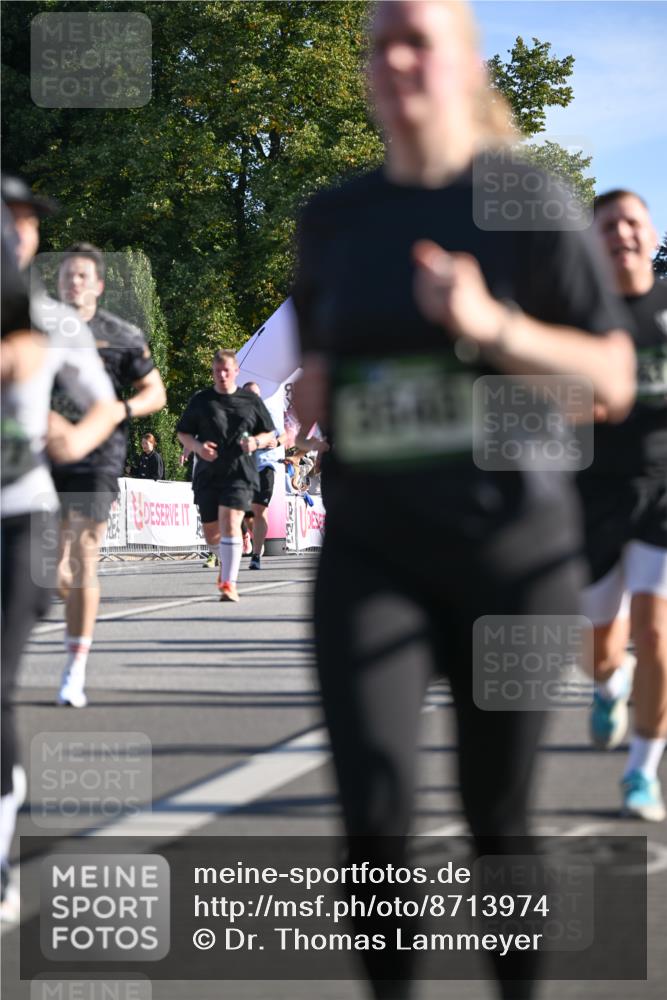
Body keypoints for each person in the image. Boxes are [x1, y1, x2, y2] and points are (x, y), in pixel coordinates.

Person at [292, 3, 635, 998]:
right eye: (378, 42)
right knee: (375, 809)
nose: (394, 59)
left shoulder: (529, 201)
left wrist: (493, 327)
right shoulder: (331, 218)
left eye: (417, 39)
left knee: (497, 813)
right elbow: (322, 361)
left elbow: (608, 376)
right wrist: (317, 392)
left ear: (463, 62)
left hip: (511, 557)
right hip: (370, 553)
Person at [1, 182, 118, 918]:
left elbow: (104, 398)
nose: (14, 235)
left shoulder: (51, 322)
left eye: (24, 226)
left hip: (21, 521)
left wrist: (76, 434)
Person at [578, 189, 667, 821]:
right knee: (601, 648)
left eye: (633, 221)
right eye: (608, 225)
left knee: (656, 635)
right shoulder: (576, 315)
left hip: (663, 490)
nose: (623, 233)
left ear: (652, 232)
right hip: (592, 495)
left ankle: (642, 771)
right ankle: (611, 686)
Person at [52, 242, 166, 707]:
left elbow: (154, 393)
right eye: (66, 276)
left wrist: (121, 410)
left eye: (82, 276)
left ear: (97, 284)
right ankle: (73, 613)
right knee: (55, 567)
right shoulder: (41, 331)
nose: (73, 282)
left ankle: (74, 669)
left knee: (84, 555)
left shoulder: (121, 333)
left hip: (99, 454)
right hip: (47, 451)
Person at [176, 350, 277, 601]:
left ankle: (229, 583)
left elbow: (270, 435)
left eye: (226, 370)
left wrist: (255, 441)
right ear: (212, 372)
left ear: (236, 372)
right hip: (208, 473)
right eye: (217, 371)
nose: (221, 375)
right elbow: (183, 433)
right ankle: (224, 560)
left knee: (231, 522)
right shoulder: (202, 400)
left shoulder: (250, 401)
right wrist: (198, 448)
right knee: (212, 533)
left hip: (240, 472)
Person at [242, 381, 287, 570]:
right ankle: (255, 539)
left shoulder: (269, 412)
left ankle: (256, 555)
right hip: (245, 466)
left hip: (266, 465)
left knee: (260, 510)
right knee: (247, 515)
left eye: (256, 394)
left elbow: (285, 435)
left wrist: (276, 442)